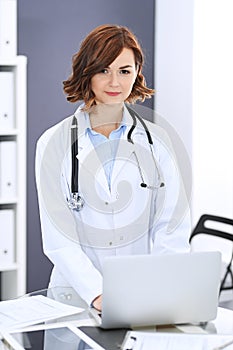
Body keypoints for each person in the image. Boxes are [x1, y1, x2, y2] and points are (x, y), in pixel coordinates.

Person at [35, 24, 191, 313]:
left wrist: (163, 288)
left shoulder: (158, 141)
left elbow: (171, 228)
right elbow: (58, 239)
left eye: (124, 70)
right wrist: (98, 294)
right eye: (103, 70)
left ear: (137, 72)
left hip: (143, 295)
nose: (114, 82)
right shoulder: (53, 143)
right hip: (77, 298)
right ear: (87, 72)